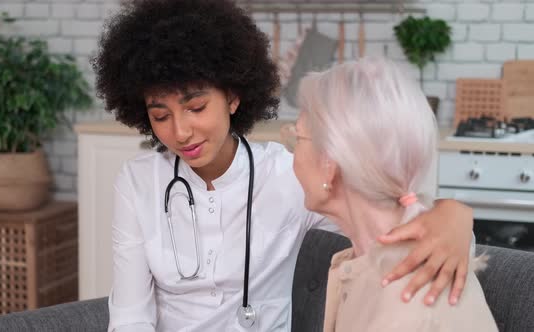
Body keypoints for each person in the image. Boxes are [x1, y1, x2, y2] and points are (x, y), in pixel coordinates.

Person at [92, 1, 475, 331]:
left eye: (196, 108)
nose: (181, 132)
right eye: (160, 116)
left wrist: (454, 216)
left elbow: (388, 220)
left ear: (233, 98)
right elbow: (130, 316)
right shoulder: (139, 181)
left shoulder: (293, 176)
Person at [292, 57, 497, 331]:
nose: (292, 155)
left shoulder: (405, 304)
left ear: (329, 165)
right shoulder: (370, 258)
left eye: (297, 138)